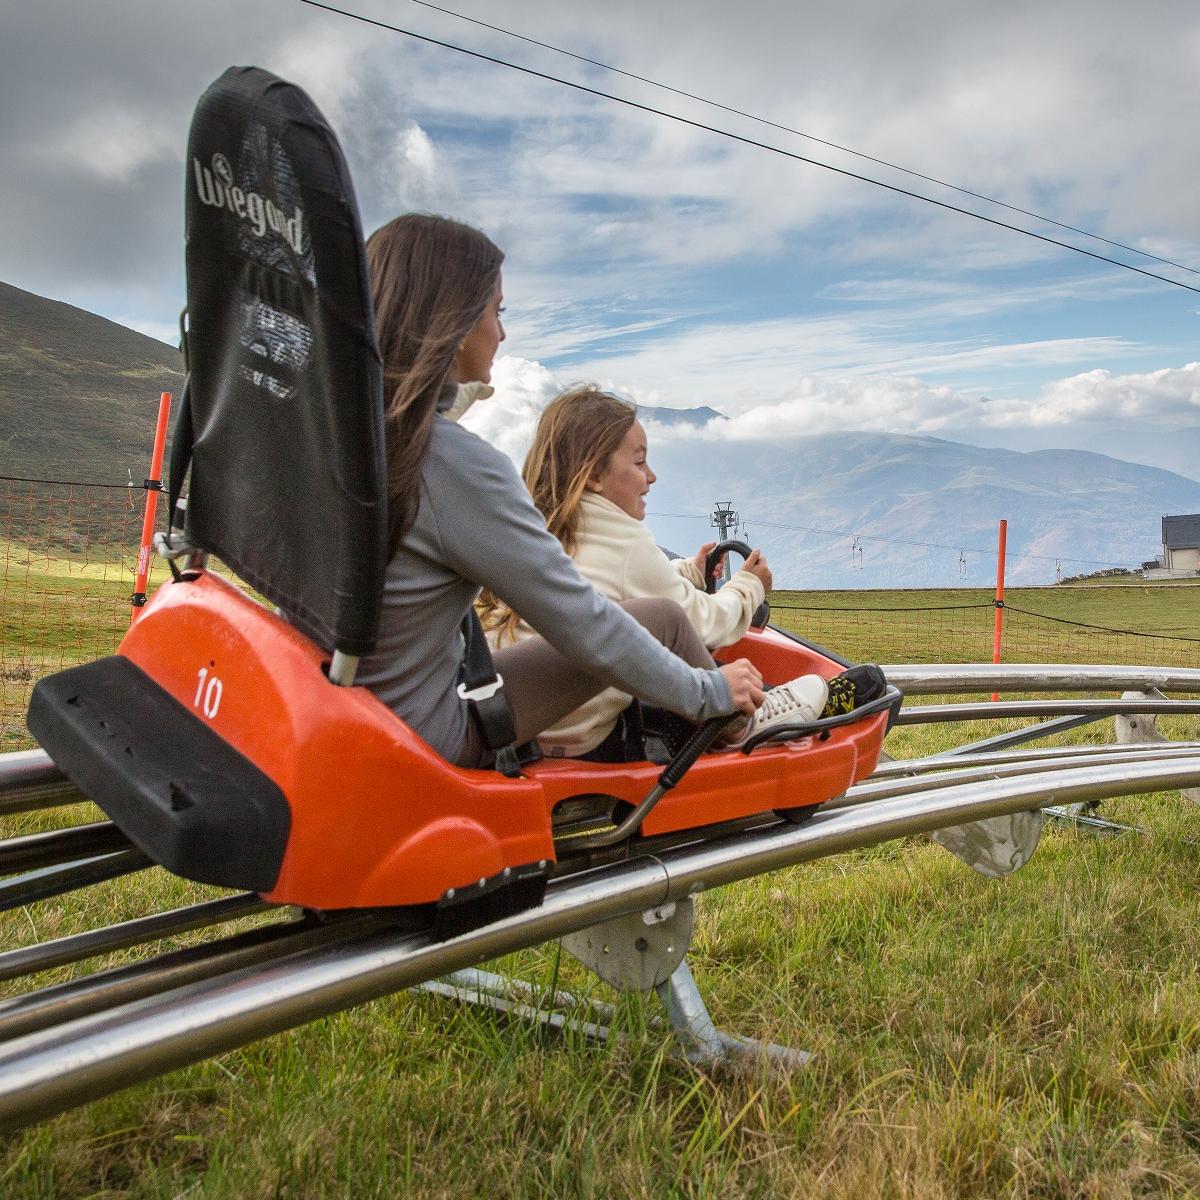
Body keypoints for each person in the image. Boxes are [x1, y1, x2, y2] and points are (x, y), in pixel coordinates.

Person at [351, 212, 780, 769]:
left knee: (650, 616)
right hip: (432, 730)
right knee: (660, 622)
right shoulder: (450, 464)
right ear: (454, 326)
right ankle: (747, 724)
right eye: (496, 312)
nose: (502, 333)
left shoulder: (353, 441)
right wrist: (711, 692)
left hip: (370, 705)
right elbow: (586, 623)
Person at [480, 386, 828, 759]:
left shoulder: (540, 523)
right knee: (672, 625)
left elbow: (609, 587)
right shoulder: (622, 539)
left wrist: (687, 574)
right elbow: (700, 623)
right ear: (595, 475)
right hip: (578, 731)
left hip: (513, 714)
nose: (652, 476)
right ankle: (745, 722)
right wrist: (748, 588)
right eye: (639, 462)